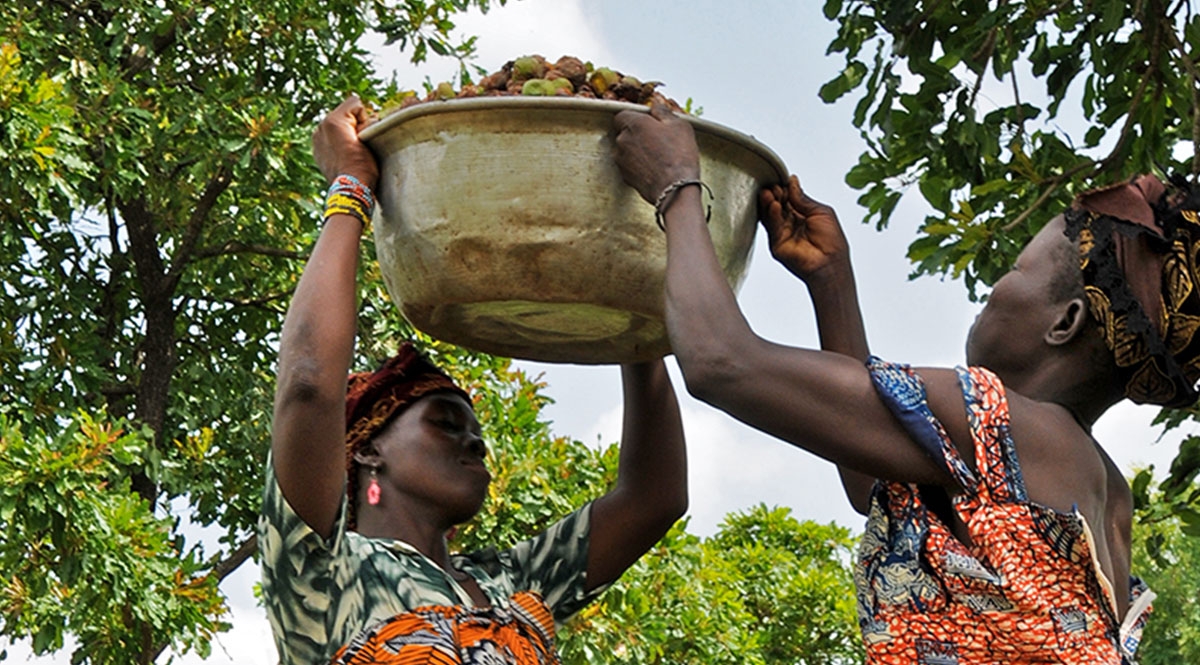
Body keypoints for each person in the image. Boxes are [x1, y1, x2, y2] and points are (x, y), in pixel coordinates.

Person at [612, 103, 1199, 663]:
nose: (995, 288)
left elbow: (722, 363)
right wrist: (832, 284)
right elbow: (871, 478)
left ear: (1065, 322)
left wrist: (678, 190)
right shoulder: (1106, 495)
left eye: (1016, 271)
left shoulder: (1005, 422)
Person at [258, 96, 688, 665]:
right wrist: (351, 185)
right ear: (367, 453)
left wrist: (626, 306)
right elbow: (310, 382)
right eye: (445, 422)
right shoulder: (325, 568)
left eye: (473, 431)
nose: (474, 442)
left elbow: (654, 498)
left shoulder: (510, 583)